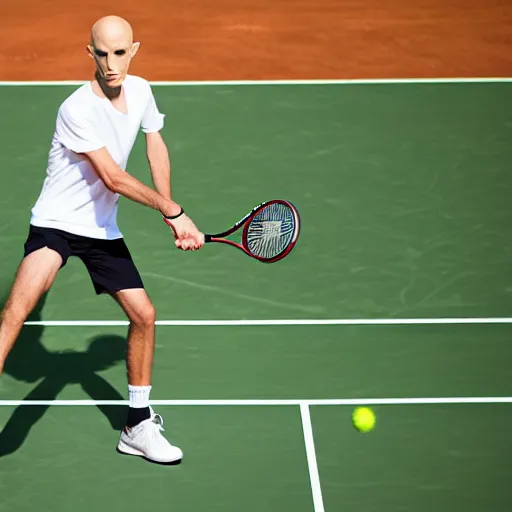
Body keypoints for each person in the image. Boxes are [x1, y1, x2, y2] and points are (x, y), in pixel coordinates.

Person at [0, 15, 204, 465]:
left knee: (144, 314)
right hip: (57, 223)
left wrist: (172, 211)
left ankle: (136, 424)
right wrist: (173, 212)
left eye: (119, 52)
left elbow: (155, 145)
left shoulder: (143, 91)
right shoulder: (76, 108)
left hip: (100, 229)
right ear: (88, 53)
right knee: (18, 309)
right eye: (101, 53)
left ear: (134, 50)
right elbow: (111, 177)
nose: (111, 63)